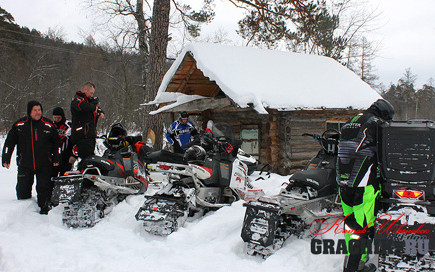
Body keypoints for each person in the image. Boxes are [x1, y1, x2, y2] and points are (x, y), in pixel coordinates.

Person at [336, 99, 395, 272]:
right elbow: (387, 148)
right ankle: (355, 267)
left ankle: (353, 259)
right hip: (364, 182)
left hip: (343, 181)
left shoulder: (350, 121)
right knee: (362, 225)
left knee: (350, 223)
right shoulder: (377, 123)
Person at [2, 101, 61, 214]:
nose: (38, 112)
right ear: (29, 111)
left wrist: (57, 157)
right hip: (25, 163)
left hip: (44, 164)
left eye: (39, 110)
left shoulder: (48, 125)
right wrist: (6, 158)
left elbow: (57, 143)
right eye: (35, 110)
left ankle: (45, 212)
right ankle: (24, 214)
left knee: (44, 189)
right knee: (22, 189)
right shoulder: (19, 125)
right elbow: (9, 143)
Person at [70, 82, 104, 160]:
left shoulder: (89, 101)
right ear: (85, 90)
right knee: (86, 159)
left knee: (90, 158)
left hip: (90, 135)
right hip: (82, 136)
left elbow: (97, 108)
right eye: (91, 93)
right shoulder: (77, 99)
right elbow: (86, 107)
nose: (92, 95)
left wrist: (100, 112)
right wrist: (94, 103)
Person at [52, 107, 76, 176]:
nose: (56, 119)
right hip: (53, 157)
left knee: (64, 178)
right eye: (55, 117)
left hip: (66, 157)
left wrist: (73, 156)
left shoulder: (70, 126)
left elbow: (75, 141)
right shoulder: (51, 126)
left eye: (58, 118)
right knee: (51, 179)